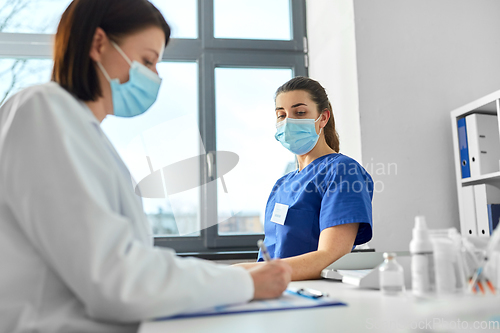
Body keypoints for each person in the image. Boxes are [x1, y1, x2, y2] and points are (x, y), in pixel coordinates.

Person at [0, 1, 291, 332]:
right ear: (98, 44)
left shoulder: (84, 132)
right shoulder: (43, 111)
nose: (155, 77)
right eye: (147, 61)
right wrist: (247, 284)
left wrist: (234, 277)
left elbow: (124, 263)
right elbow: (116, 277)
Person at [237, 77, 373, 281]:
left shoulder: (342, 170)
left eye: (300, 113)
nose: (288, 122)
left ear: (323, 117)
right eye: (281, 115)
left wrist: (239, 273)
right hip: (274, 289)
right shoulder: (282, 184)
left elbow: (331, 257)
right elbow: (271, 254)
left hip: (314, 293)